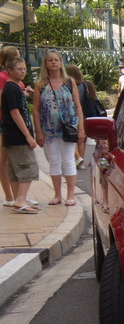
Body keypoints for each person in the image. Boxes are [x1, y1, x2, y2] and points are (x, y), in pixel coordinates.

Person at [33, 49, 85, 207]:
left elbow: (77, 106)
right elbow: (36, 109)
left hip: (68, 128)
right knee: (54, 161)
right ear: (46, 64)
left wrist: (81, 128)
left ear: (61, 63)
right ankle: (57, 194)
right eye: (50, 60)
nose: (54, 62)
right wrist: (38, 132)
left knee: (69, 160)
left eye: (56, 60)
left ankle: (70, 195)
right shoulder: (41, 84)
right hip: (49, 130)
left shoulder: (69, 82)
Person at [1, 56, 39, 214]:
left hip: (12, 136)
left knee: (16, 168)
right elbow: (15, 113)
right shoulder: (11, 88)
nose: (23, 71)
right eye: (19, 69)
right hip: (17, 136)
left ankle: (18, 198)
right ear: (10, 70)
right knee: (27, 167)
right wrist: (28, 136)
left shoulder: (15, 88)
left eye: (24, 68)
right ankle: (20, 199)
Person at [65, 65, 89, 169]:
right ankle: (81, 160)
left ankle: (77, 156)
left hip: (70, 113)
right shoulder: (84, 85)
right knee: (81, 138)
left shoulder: (68, 85)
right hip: (82, 112)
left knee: (68, 136)